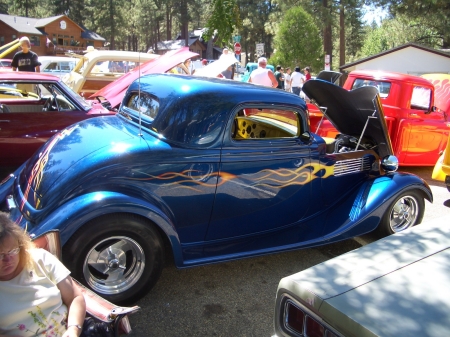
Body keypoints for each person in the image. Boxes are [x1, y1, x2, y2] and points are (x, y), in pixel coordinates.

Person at [0, 212, 86, 337]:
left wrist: (73, 329)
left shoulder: (40, 259)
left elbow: (74, 297)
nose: (8, 259)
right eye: (0, 255)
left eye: (13, 250)